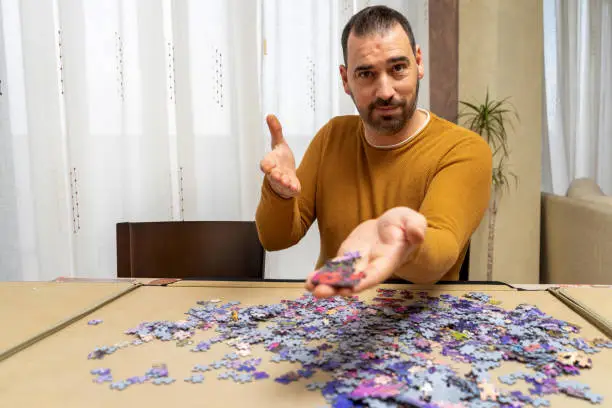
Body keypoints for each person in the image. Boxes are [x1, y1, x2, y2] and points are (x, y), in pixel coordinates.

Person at [255, 5, 492, 299]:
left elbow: (440, 253)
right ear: (345, 80)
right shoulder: (333, 136)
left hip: (421, 324)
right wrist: (279, 192)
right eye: (366, 73)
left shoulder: (463, 149)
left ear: (418, 63)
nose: (385, 91)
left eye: (398, 68)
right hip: (334, 312)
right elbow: (275, 239)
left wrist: (400, 243)